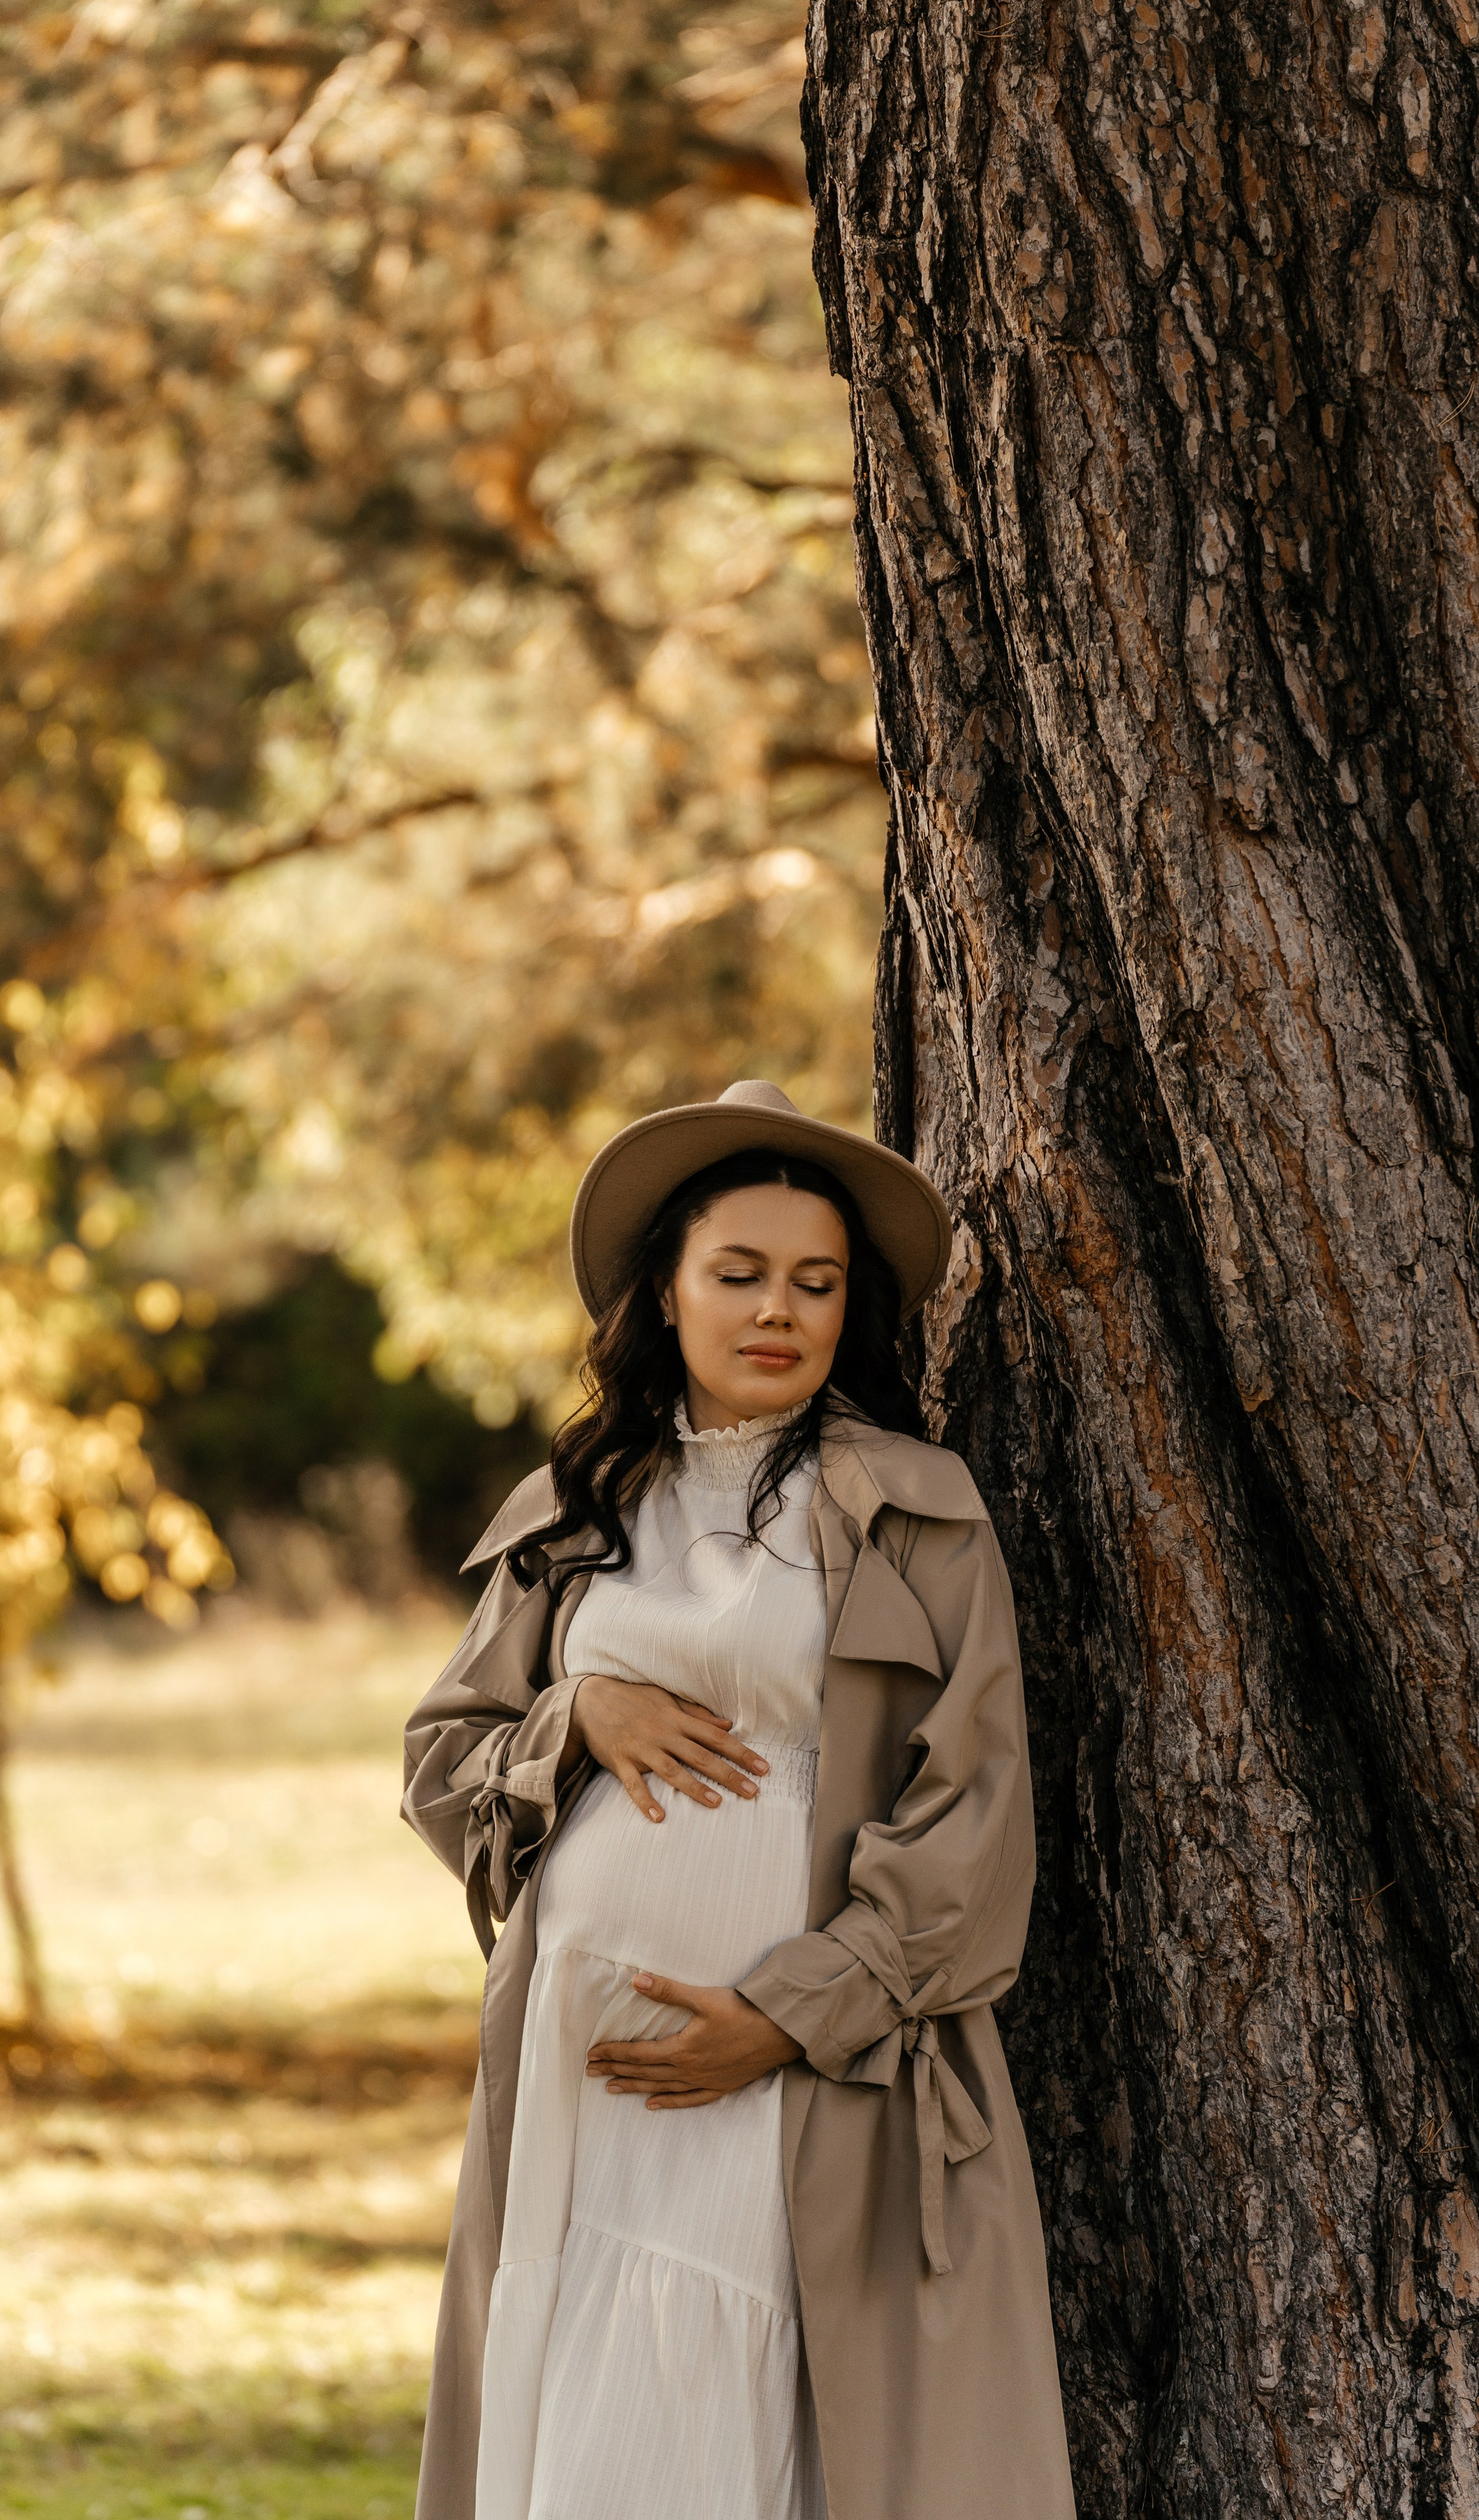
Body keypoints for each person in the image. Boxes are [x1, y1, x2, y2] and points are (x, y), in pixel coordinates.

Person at [402, 1080, 1077, 2520]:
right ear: (666, 1292)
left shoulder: (915, 1512)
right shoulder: (577, 1512)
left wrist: (785, 2015)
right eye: (741, 1273)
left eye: (816, 1283)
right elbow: (441, 1766)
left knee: (760, 2425)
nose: (779, 1310)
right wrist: (575, 1713)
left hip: (811, 2082)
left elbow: (975, 1818)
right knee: (588, 2432)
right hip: (584, 2083)